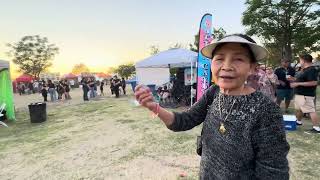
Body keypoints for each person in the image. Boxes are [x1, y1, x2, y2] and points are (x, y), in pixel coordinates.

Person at [135, 34, 289, 179]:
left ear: (252, 68)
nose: (226, 66)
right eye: (219, 59)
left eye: (238, 59)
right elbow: (185, 120)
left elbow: (273, 171)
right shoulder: (213, 92)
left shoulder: (266, 110)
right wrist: (154, 106)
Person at [290, 54, 320, 133]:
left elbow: (314, 82)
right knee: (299, 109)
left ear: (304, 60)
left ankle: (316, 128)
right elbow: (302, 79)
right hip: (300, 94)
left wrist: (297, 84)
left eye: (300, 60)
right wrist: (294, 79)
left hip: (306, 94)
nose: (299, 62)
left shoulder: (311, 70)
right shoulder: (305, 70)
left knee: (311, 110)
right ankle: (298, 121)